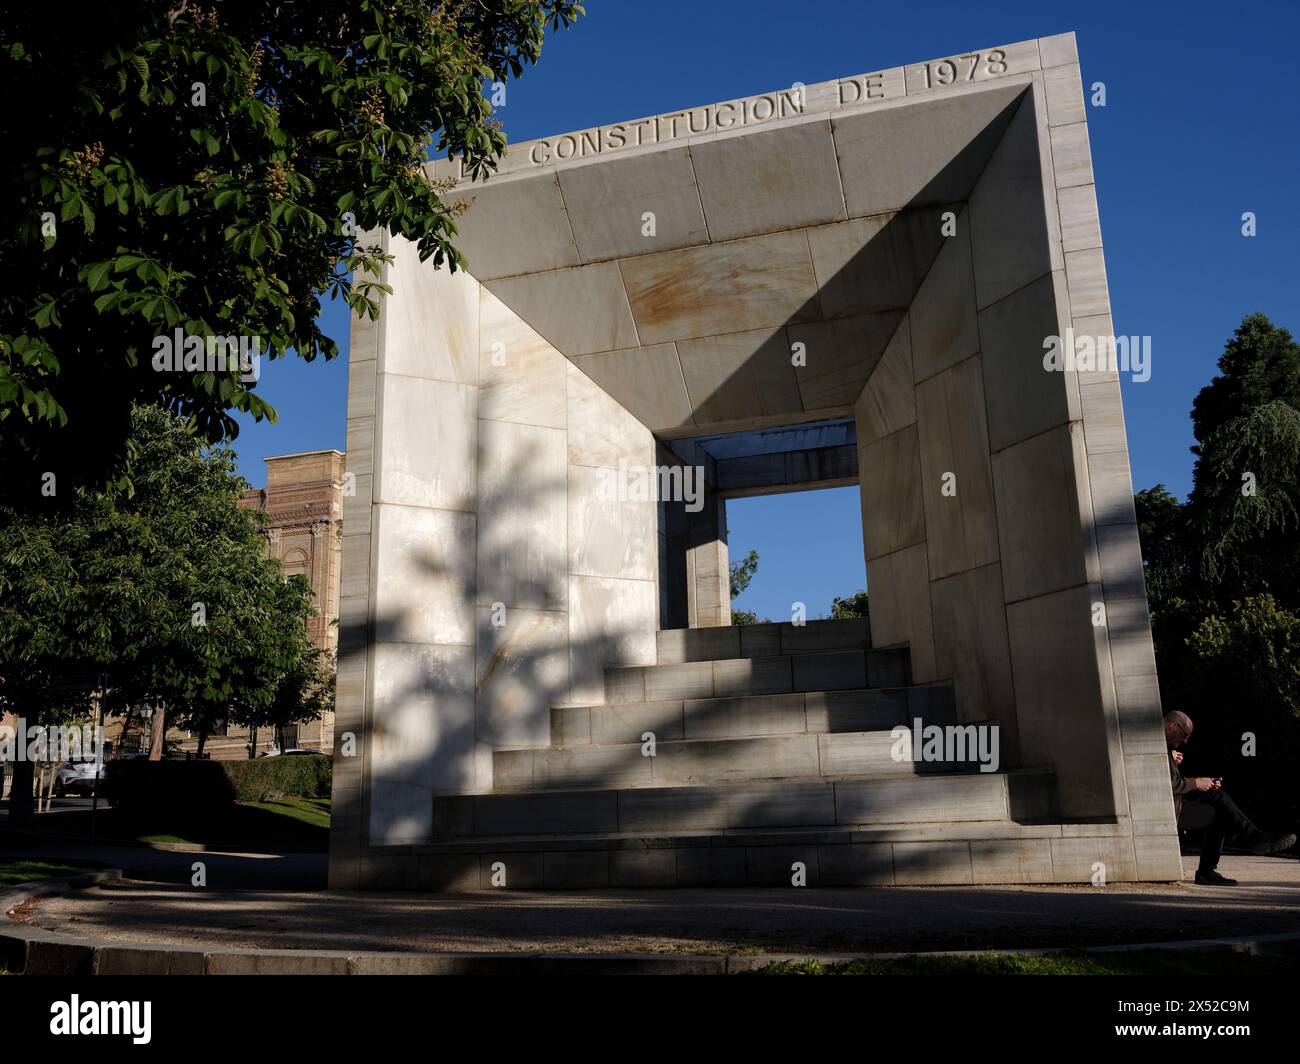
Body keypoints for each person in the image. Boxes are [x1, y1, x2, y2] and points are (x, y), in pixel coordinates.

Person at [1165, 711, 1295, 885]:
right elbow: (1166, 784)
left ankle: (1254, 838)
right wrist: (1195, 783)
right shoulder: (1153, 744)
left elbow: (1172, 782)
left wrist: (1204, 783)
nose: (1185, 741)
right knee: (1221, 812)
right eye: (1185, 735)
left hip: (1172, 803)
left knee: (1217, 796)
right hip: (1169, 810)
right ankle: (1250, 841)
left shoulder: (1163, 748)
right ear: (1173, 726)